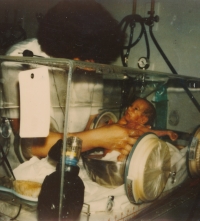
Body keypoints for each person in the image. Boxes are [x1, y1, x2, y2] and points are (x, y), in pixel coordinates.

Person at [2, 0, 144, 161]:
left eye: (98, 56)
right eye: (86, 54)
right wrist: (97, 139)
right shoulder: (21, 59)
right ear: (65, 42)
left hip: (70, 161)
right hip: (23, 169)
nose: (92, 63)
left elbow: (94, 124)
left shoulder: (90, 63)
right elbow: (30, 144)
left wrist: (121, 134)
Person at [102, 98, 178, 161]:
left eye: (135, 109)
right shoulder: (122, 122)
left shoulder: (136, 126)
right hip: (106, 157)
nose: (129, 108)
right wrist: (110, 124)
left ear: (142, 120)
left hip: (119, 156)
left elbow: (152, 133)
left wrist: (167, 132)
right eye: (131, 106)